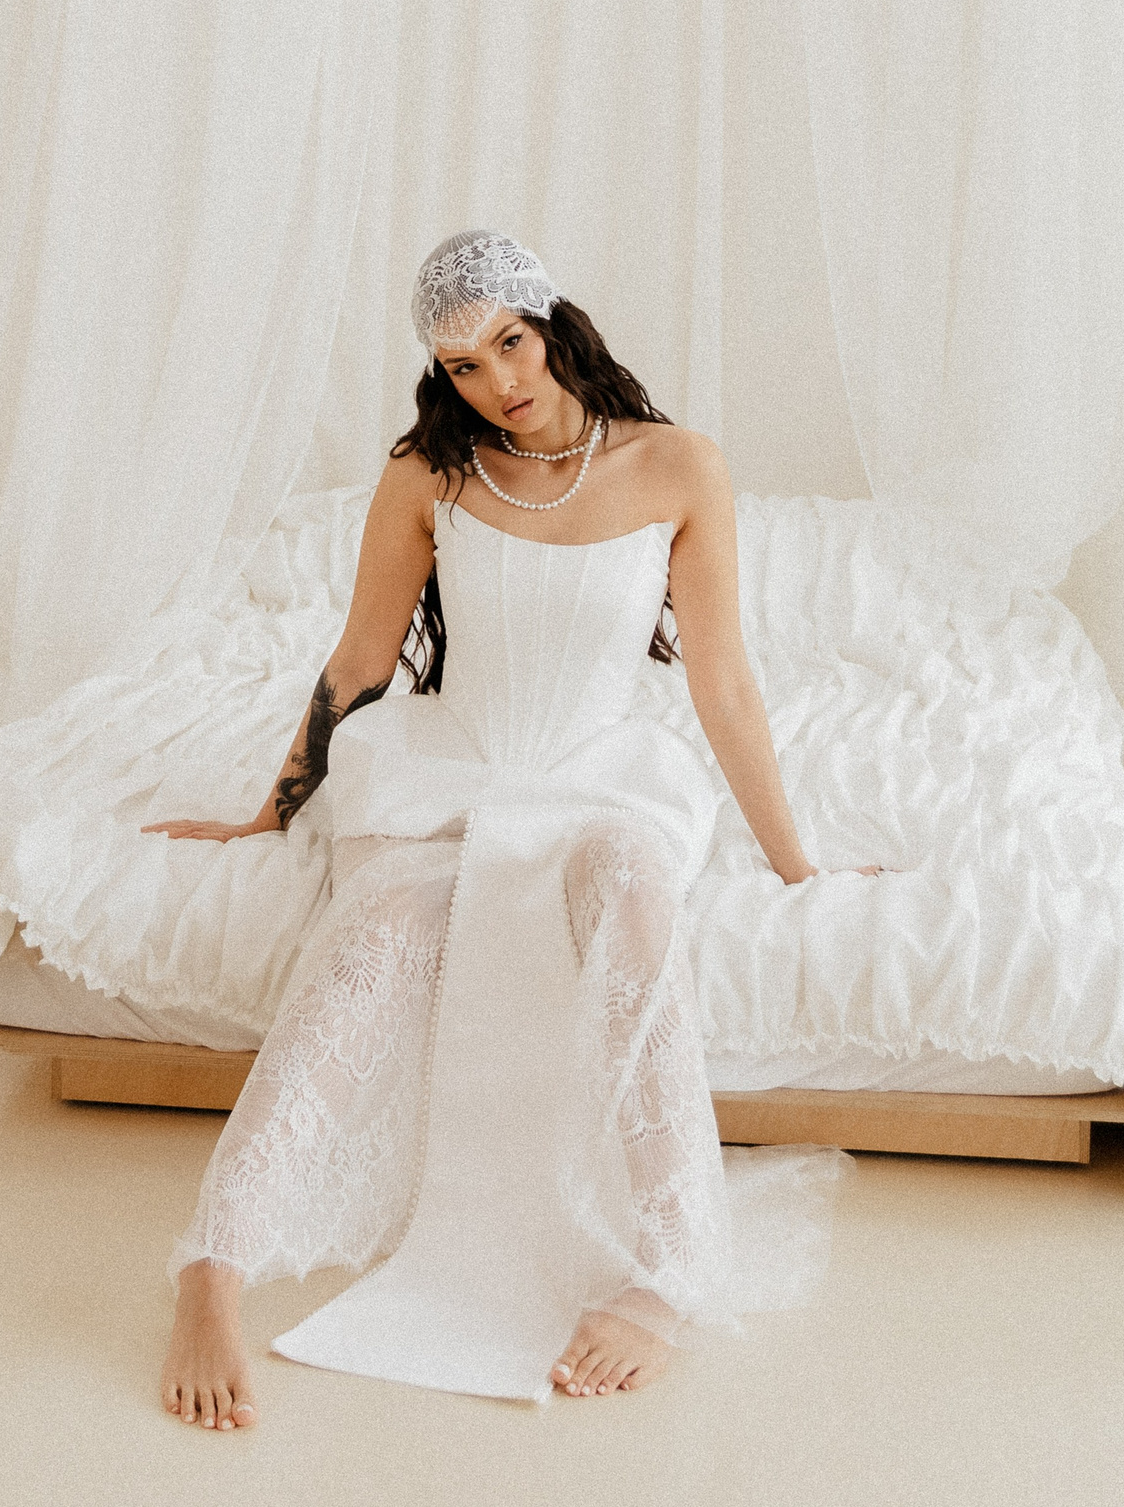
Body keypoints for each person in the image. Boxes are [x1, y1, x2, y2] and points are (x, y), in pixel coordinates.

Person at [141, 230, 879, 1429]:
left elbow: (726, 684)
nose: (498, 381)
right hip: (446, 768)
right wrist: (266, 812)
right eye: (464, 365)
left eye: (511, 343)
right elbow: (362, 659)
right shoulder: (430, 471)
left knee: (633, 892)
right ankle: (214, 1265)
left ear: (554, 322)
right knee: (378, 935)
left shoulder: (679, 466)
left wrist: (797, 862)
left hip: (597, 777)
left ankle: (669, 1271)